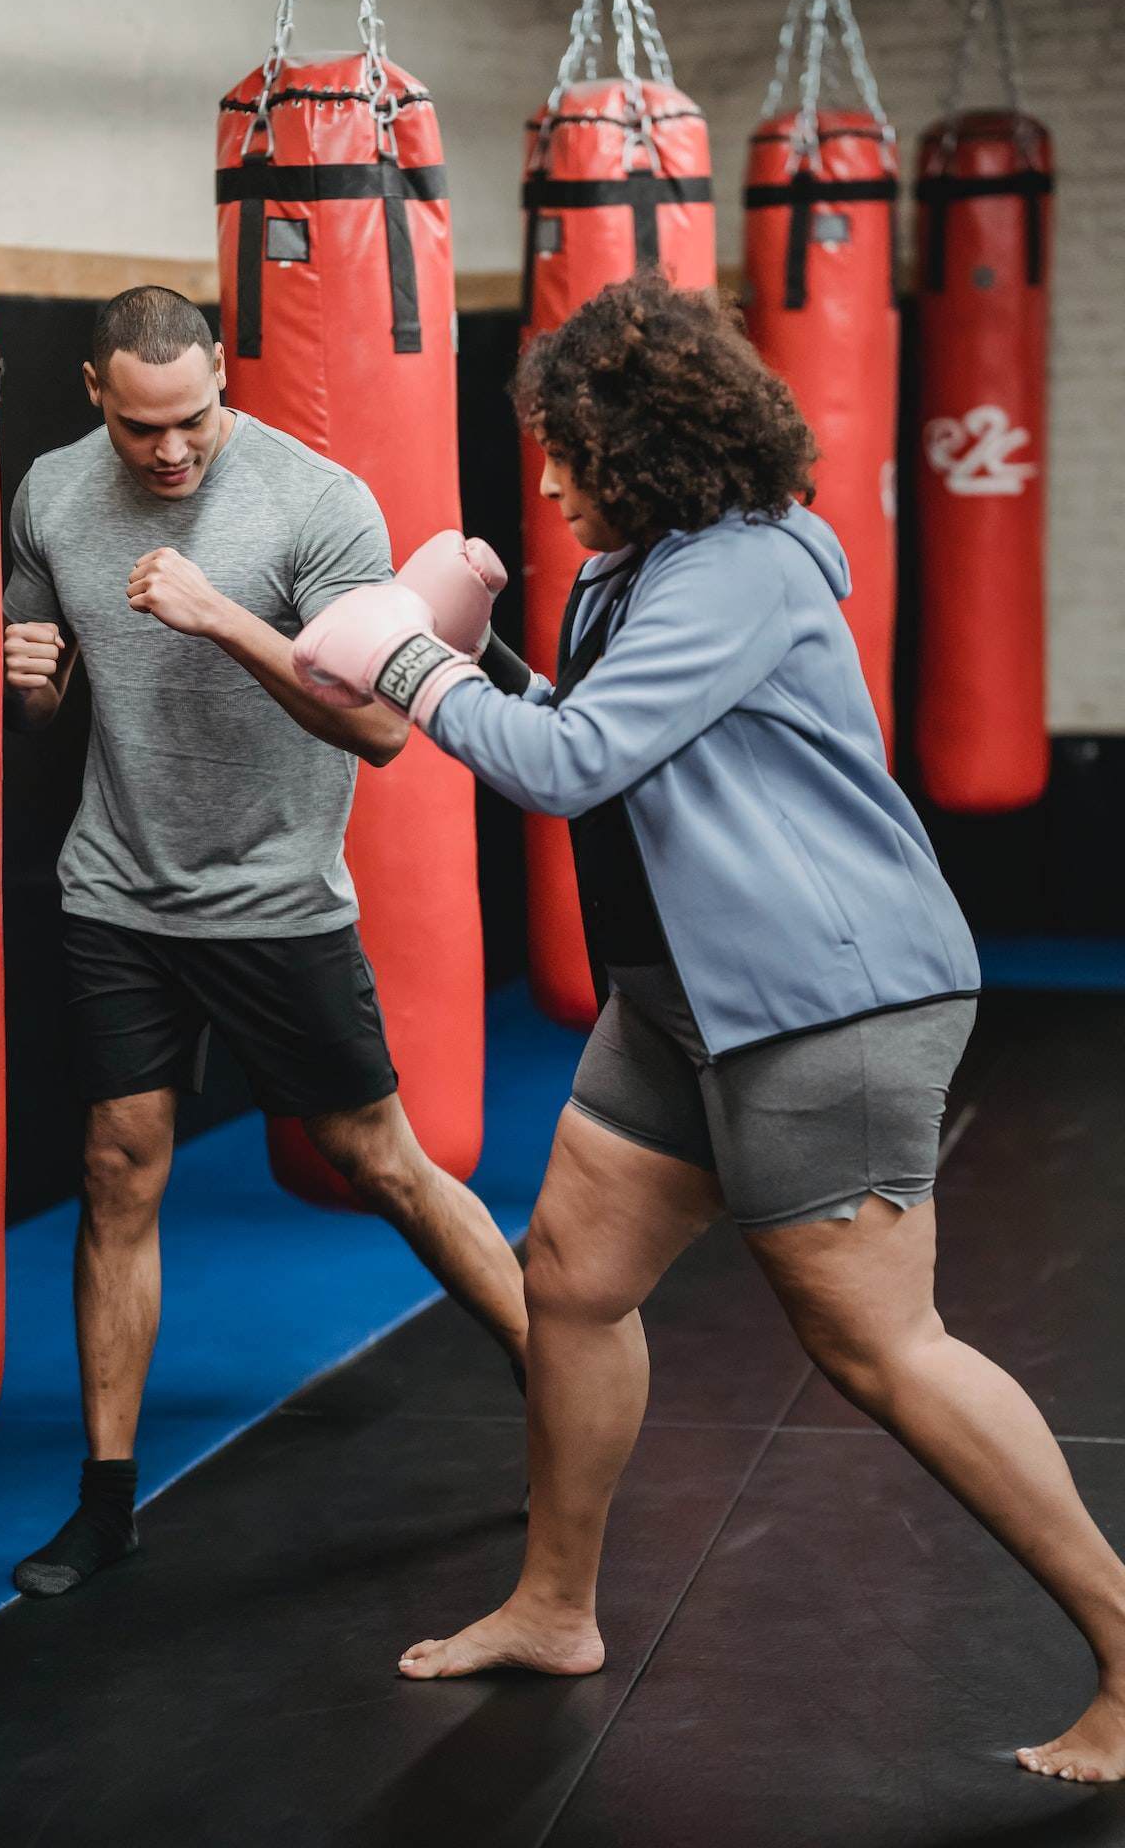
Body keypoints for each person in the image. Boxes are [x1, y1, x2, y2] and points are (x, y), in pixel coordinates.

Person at [286, 273, 1125, 1785]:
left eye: (569, 455)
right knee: (573, 1280)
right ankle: (554, 1609)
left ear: (649, 449)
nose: (545, 484)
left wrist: (411, 661)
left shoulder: (740, 569)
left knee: (878, 1346)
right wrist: (479, 662)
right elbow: (604, 747)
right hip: (684, 994)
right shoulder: (636, 570)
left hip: (827, 991)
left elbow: (568, 767)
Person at [3, 285, 527, 1598]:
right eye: (140, 429)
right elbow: (46, 682)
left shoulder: (317, 501)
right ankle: (107, 1500)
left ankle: (562, 1383)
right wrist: (32, 684)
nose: (169, 452)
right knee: (118, 1166)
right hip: (116, 889)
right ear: (94, 398)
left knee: (384, 1163)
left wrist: (224, 617)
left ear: (223, 378)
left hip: (275, 897)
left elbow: (379, 730)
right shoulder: (52, 493)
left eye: (190, 422)